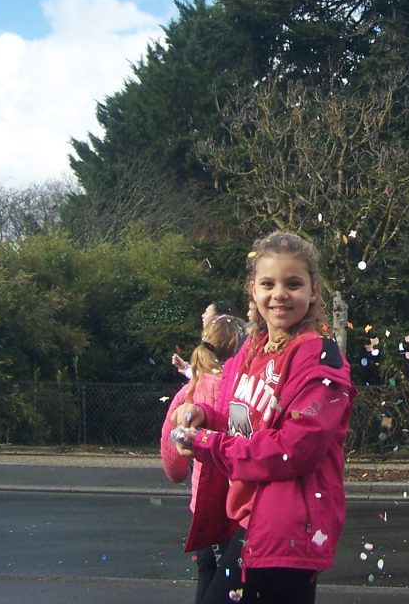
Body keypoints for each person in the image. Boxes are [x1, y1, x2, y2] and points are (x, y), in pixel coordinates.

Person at [172, 231, 356, 603]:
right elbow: (236, 415)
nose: (279, 294)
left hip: (288, 530)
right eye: (268, 283)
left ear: (314, 290)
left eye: (293, 283)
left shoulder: (320, 357)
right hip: (250, 520)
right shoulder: (251, 350)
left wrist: (207, 444)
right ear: (252, 290)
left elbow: (295, 447)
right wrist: (201, 414)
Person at [161, 314, 247, 604]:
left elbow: (170, 442)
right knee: (230, 577)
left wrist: (177, 470)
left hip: (202, 498)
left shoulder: (195, 386)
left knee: (207, 567)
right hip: (232, 499)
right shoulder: (238, 387)